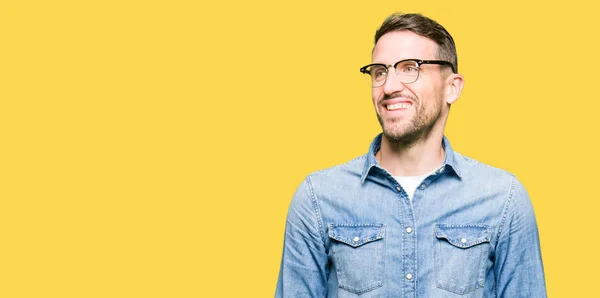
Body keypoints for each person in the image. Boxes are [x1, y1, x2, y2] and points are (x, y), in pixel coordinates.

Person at [275, 12, 546, 298]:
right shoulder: (318, 198)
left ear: (452, 87)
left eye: (410, 68)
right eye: (380, 71)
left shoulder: (503, 199)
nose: (389, 86)